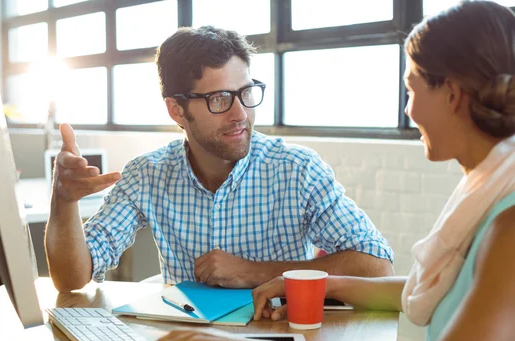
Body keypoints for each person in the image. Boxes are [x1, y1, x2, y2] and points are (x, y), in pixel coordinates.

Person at [149, 2, 515, 341]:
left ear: (453, 96)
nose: (408, 110)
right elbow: (436, 286)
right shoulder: (490, 188)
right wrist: (323, 285)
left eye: (411, 89)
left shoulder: (508, 224)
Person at [45, 26, 394, 293]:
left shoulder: (297, 170)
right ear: (176, 110)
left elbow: (377, 266)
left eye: (245, 93)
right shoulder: (147, 174)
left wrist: (254, 273)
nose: (240, 113)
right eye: (220, 98)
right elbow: (72, 279)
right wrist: (63, 201)